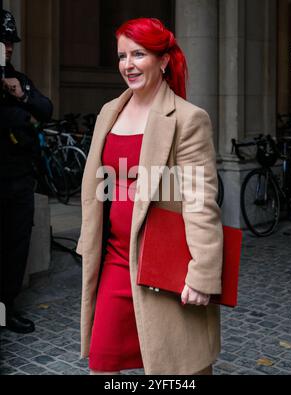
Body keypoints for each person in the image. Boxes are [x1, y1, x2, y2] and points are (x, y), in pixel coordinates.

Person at [76, 18, 223, 375]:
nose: (128, 64)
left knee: (177, 369)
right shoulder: (109, 111)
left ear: (163, 60)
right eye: (122, 56)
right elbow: (97, 188)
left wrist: (202, 273)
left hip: (164, 263)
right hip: (114, 257)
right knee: (103, 362)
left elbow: (200, 200)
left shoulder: (188, 119)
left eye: (138, 54)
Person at [0, 10, 53, 334]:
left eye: (10, 42)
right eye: (2, 41)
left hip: (19, 182)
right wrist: (22, 119)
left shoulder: (18, 80)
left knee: (16, 248)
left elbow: (45, 109)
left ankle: (7, 308)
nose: (7, 47)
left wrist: (21, 95)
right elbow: (23, 122)